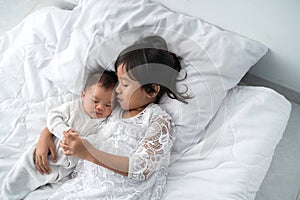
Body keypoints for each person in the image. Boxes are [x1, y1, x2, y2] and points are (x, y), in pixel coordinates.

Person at [38, 35, 190, 199]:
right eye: (118, 82)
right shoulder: (113, 109)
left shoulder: (157, 120)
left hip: (121, 193)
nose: (117, 89)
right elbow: (76, 117)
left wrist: (89, 153)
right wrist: (46, 134)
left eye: (125, 84)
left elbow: (141, 168)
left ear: (152, 90)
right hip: (84, 186)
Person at [0, 70, 118, 200]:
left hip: (65, 171)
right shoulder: (73, 108)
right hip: (48, 154)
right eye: (95, 101)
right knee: (22, 174)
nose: (100, 107)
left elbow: (99, 139)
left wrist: (82, 142)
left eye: (108, 105)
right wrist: (64, 131)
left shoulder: (105, 122)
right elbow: (53, 117)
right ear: (83, 95)